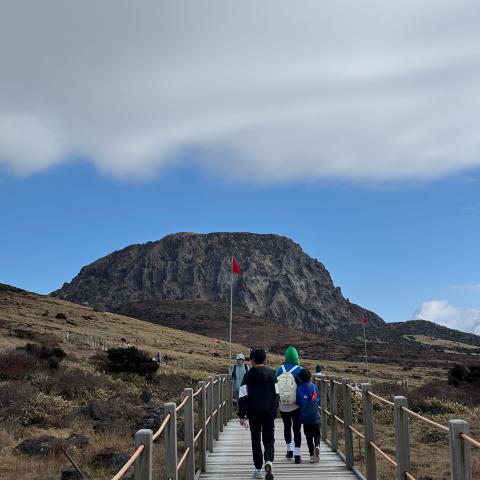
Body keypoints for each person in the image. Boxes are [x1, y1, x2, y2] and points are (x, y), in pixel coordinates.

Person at [238, 348, 279, 480]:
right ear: (265, 359)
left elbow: (242, 396)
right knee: (269, 439)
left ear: (253, 360)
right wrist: (274, 409)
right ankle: (269, 461)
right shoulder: (272, 374)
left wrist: (241, 415)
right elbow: (277, 395)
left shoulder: (248, 375)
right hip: (269, 413)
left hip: (253, 413)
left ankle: (258, 469)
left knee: (255, 441)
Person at [276, 346, 302, 463]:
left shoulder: (279, 369)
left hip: (283, 405)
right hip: (296, 404)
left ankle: (289, 450)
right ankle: (297, 455)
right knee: (297, 428)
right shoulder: (300, 369)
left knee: (287, 426)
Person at [296, 369, 321, 463]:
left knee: (308, 437)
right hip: (315, 416)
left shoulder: (299, 388)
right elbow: (318, 399)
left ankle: (311, 455)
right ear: (310, 377)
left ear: (300, 378)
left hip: (305, 418)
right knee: (317, 434)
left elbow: (298, 402)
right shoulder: (314, 387)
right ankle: (317, 445)